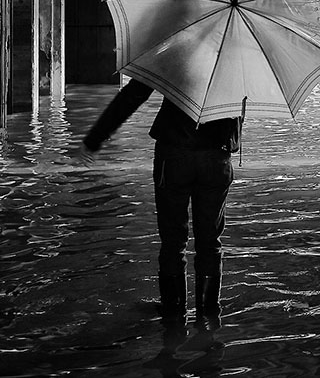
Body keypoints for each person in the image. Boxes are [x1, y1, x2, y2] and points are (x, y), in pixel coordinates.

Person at [77, 78, 239, 322]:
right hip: (216, 157)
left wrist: (95, 139)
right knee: (210, 243)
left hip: (174, 155)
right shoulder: (240, 58)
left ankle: (173, 316)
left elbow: (133, 95)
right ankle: (209, 318)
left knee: (173, 242)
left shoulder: (174, 49)